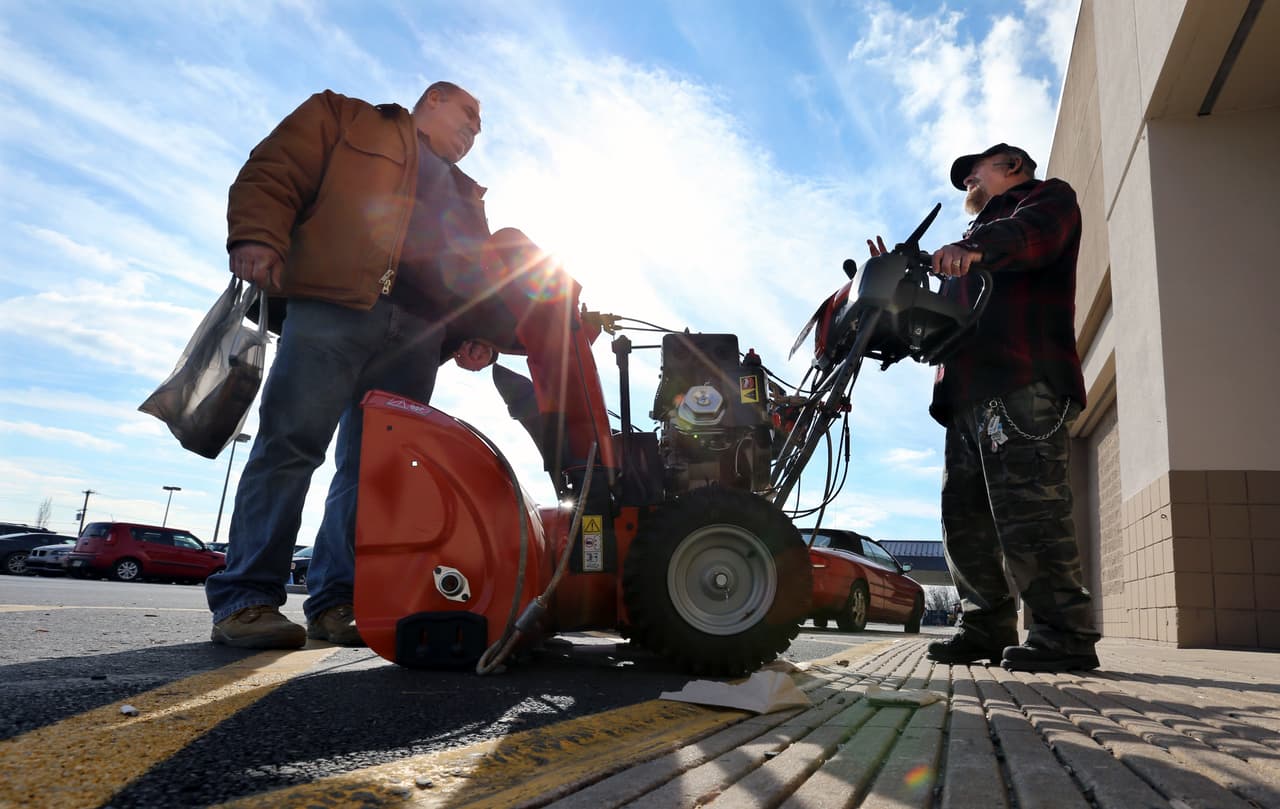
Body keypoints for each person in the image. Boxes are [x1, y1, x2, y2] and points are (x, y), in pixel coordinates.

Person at [205, 81, 502, 649]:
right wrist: (258, 235)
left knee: (375, 476)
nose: (475, 130)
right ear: (433, 99)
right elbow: (275, 167)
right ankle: (247, 598)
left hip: (418, 338)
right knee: (289, 446)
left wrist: (475, 331)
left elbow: (478, 272)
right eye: (468, 114)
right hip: (333, 309)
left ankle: (336, 603)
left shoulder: (468, 193)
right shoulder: (346, 118)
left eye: (480, 127)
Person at [870, 143, 1100, 672]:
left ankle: (1063, 634)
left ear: (1012, 165)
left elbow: (1030, 238)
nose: (969, 179)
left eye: (976, 170)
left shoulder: (1046, 200)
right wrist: (899, 294)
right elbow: (946, 319)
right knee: (963, 519)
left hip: (1022, 380)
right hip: (965, 397)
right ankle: (984, 627)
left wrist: (971, 249)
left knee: (1031, 511)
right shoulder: (970, 244)